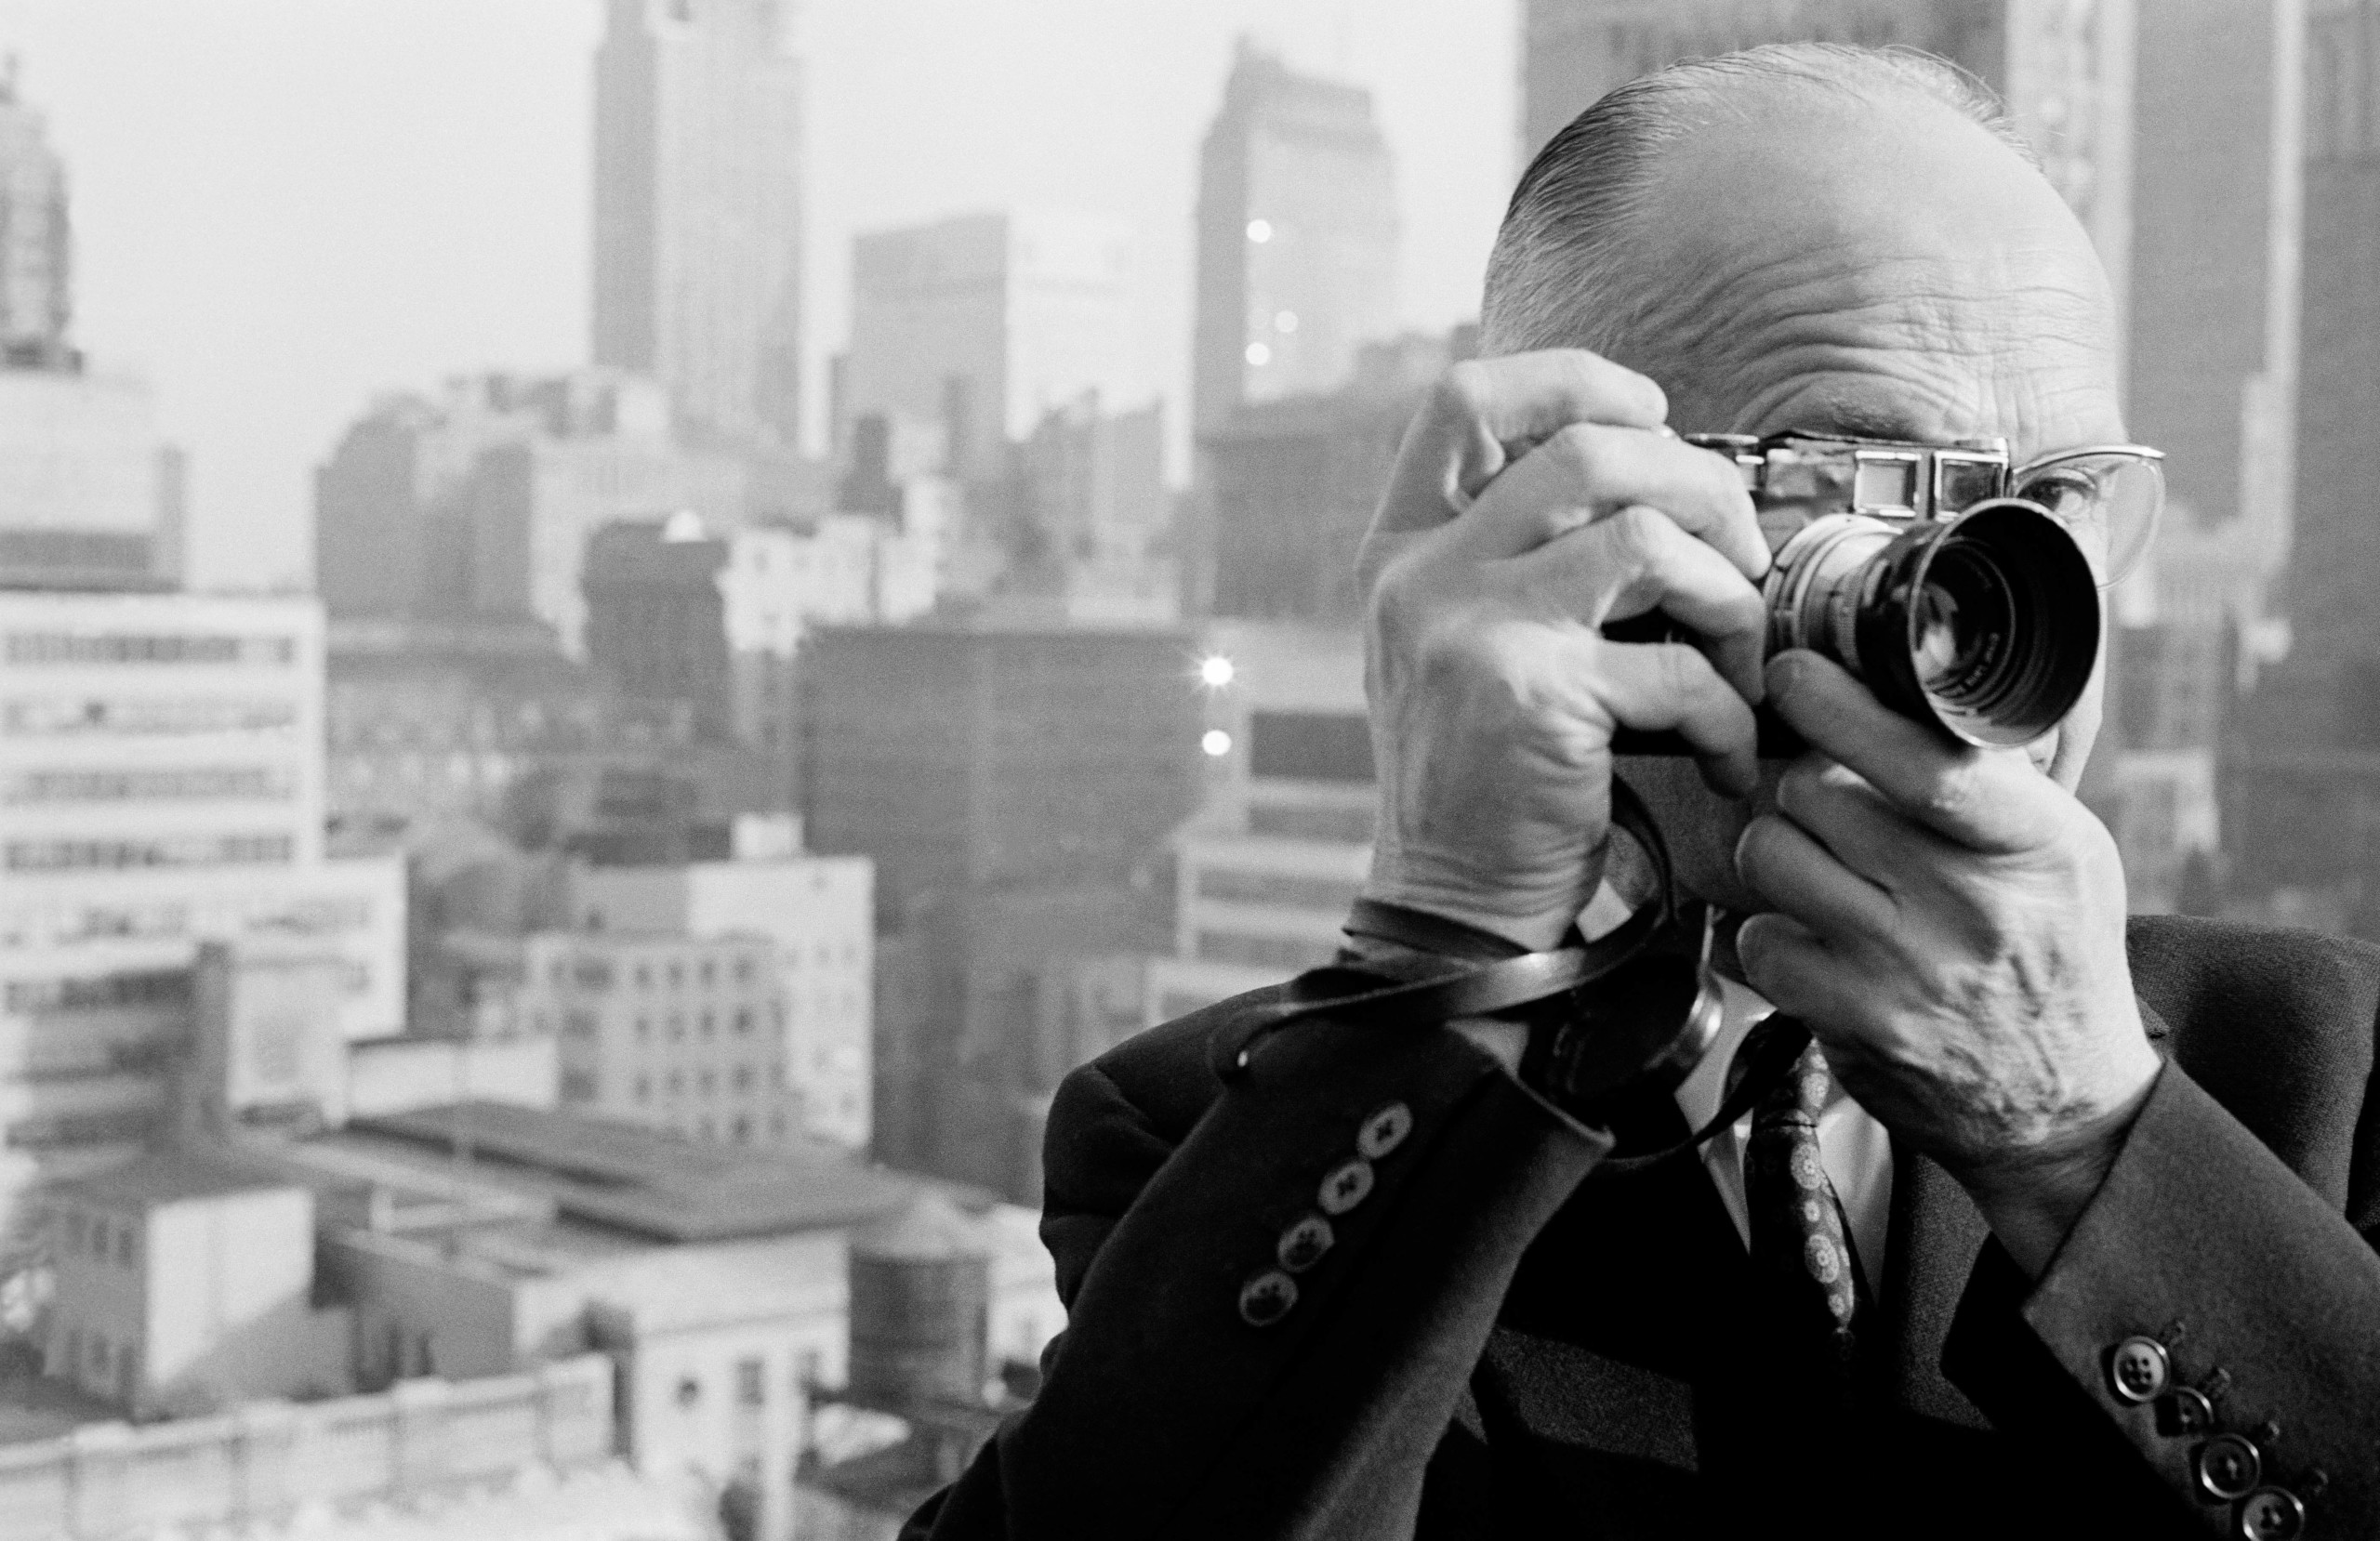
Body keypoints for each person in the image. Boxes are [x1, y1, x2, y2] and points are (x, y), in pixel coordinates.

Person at [903, 44, 2380, 1540]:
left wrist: (2086, 1141)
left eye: (2054, 496)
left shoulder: (2325, 1074)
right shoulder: (1261, 1147)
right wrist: (1449, 948)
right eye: (1848, 478)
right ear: (1571, 508)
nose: (1988, 596)